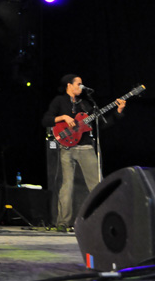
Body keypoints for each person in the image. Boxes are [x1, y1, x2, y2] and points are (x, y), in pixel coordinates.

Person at [41, 74, 126, 232]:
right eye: (78, 84)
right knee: (66, 186)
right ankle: (62, 223)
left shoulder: (87, 105)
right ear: (69, 85)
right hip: (66, 148)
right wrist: (63, 117)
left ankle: (101, 220)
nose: (81, 86)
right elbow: (45, 120)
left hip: (85, 147)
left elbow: (102, 124)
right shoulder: (59, 101)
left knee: (96, 185)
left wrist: (118, 111)